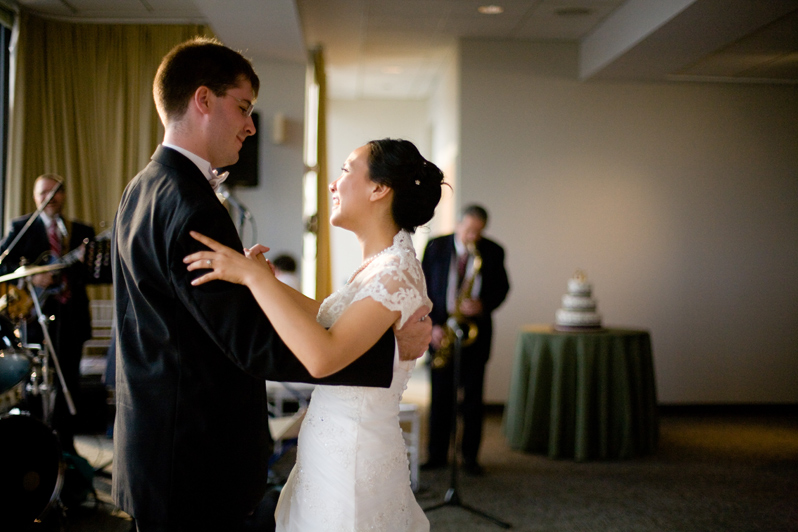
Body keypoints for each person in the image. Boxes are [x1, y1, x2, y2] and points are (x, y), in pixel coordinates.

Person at [111, 38, 431, 532]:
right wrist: (391, 353)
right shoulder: (192, 204)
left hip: (162, 439)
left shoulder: (145, 185)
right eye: (243, 107)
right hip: (191, 451)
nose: (250, 125)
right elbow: (252, 344)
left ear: (379, 189)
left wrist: (258, 282)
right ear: (202, 101)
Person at [184, 138, 444, 531]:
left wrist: (256, 279)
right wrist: (263, 283)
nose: (332, 185)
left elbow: (324, 357)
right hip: (336, 443)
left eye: (344, 170)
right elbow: (328, 317)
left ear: (379, 188)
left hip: (353, 458)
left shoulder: (395, 273)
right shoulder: (382, 264)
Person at [0, 173, 95, 456]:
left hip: (72, 318)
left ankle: (66, 446)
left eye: (54, 193)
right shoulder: (22, 228)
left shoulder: (80, 231)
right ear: (35, 197)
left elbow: (92, 272)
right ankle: (36, 445)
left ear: (63, 195)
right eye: (43, 194)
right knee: (35, 384)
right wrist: (30, 279)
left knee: (69, 380)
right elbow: (4, 265)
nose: (49, 199)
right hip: (34, 317)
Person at [421, 204, 510, 475]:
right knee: (440, 398)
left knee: (472, 400)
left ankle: (470, 457)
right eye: (468, 230)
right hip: (441, 330)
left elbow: (503, 288)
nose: (472, 236)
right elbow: (421, 287)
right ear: (458, 225)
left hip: (476, 333)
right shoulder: (436, 247)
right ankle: (437, 455)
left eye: (478, 232)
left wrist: (482, 305)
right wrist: (431, 325)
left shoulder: (493, 250)